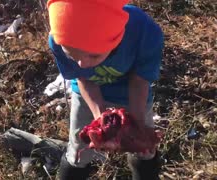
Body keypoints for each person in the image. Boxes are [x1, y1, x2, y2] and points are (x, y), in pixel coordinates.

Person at [47, 0, 164, 179]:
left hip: (133, 90)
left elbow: (139, 82)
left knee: (144, 148)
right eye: (71, 53)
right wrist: (101, 121)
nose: (82, 63)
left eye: (94, 55)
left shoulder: (145, 33)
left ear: (117, 38)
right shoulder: (57, 41)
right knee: (79, 148)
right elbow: (83, 79)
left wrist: (137, 125)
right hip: (88, 94)